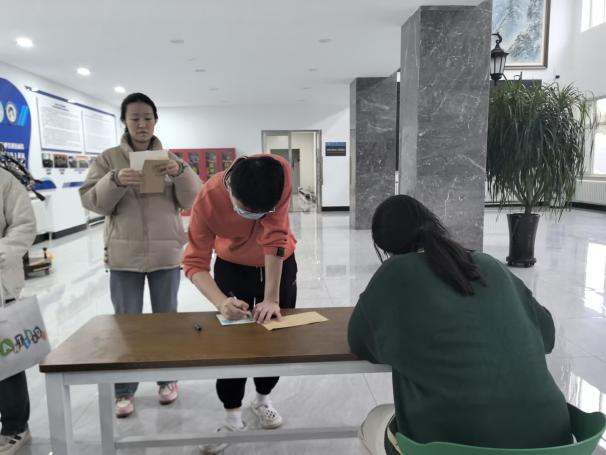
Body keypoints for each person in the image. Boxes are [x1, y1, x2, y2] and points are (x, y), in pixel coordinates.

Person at [348, 195, 573, 455]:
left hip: (450, 445)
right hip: (554, 442)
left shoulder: (393, 274)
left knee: (374, 420)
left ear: (384, 245)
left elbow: (358, 341)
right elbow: (547, 335)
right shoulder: (490, 264)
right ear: (431, 221)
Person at [80, 92, 201, 418]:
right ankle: (123, 389)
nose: (142, 124)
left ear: (156, 120)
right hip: (124, 256)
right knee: (126, 325)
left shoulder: (170, 159)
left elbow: (192, 199)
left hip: (165, 254)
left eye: (147, 117)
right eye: (134, 118)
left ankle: (167, 379)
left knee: (166, 323)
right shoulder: (108, 159)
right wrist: (115, 179)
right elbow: (93, 202)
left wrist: (180, 171)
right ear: (124, 121)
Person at [183, 154, 297, 454]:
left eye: (262, 212)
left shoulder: (278, 173)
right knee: (232, 343)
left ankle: (263, 399)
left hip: (280, 263)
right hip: (232, 266)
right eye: (247, 211)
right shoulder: (208, 198)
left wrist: (272, 298)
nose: (255, 219)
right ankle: (232, 415)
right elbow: (194, 262)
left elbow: (275, 236)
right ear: (231, 190)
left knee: (275, 335)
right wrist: (221, 302)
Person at [0, 168, 36, 454]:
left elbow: (24, 225)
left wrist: (2, 251)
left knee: (6, 362)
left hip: (1, 286)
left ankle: (15, 428)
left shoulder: (5, 180)